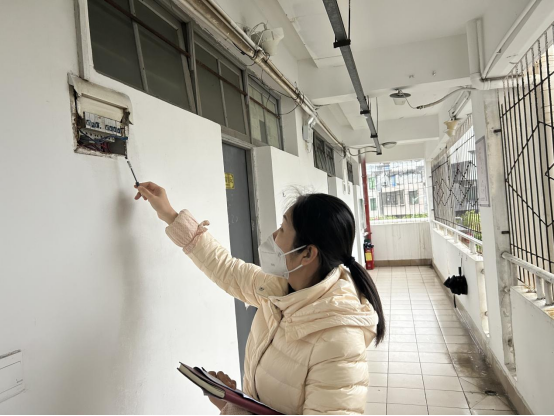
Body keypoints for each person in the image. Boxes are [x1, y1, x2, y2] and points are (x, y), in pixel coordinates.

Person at [135, 182, 386, 416]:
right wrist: (169, 214)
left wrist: (233, 409)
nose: (274, 236)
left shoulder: (339, 344)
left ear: (307, 254)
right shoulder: (279, 290)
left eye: (283, 229)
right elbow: (226, 269)